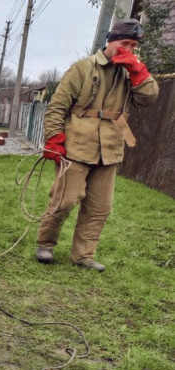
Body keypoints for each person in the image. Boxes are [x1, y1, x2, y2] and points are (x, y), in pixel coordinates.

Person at [37, 19, 159, 272]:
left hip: (110, 148)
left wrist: (139, 72)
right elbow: (57, 107)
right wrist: (54, 139)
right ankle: (46, 244)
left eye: (134, 45)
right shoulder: (83, 68)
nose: (129, 49)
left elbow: (149, 98)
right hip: (77, 146)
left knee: (100, 207)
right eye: (125, 43)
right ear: (111, 41)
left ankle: (83, 256)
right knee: (65, 200)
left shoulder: (130, 72)